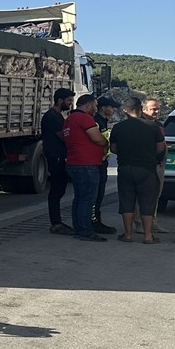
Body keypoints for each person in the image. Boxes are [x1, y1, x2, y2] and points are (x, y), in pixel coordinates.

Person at [110, 97, 165, 244]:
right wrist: (150, 156)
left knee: (127, 201)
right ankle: (148, 236)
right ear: (141, 109)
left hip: (125, 168)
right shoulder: (152, 127)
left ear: (125, 112)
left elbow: (113, 148)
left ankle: (128, 235)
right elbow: (161, 147)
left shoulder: (118, 127)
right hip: (147, 169)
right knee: (147, 202)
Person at [63, 94, 109, 241]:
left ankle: (79, 228)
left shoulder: (69, 119)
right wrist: (105, 142)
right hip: (86, 164)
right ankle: (85, 231)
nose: (96, 108)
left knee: (79, 198)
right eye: (95, 105)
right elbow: (97, 138)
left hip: (76, 163)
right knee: (87, 199)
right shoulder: (84, 118)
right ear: (88, 105)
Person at [42, 88, 75, 235]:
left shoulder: (58, 116)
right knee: (56, 191)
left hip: (59, 156)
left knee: (60, 190)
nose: (70, 103)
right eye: (68, 101)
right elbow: (64, 136)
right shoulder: (52, 117)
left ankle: (57, 222)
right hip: (55, 157)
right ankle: (56, 223)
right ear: (60, 100)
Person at [90, 96, 119, 234]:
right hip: (97, 162)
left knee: (99, 193)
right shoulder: (97, 121)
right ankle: (94, 221)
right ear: (103, 108)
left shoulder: (102, 121)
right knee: (96, 194)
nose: (113, 109)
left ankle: (96, 221)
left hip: (101, 161)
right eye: (111, 107)